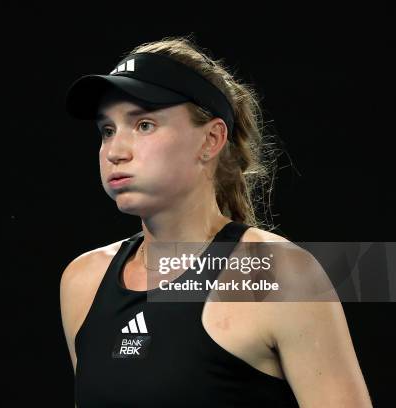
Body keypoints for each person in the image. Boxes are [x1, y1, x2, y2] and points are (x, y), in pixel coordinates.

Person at [60, 36, 372, 407]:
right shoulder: (83, 282)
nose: (115, 151)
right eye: (107, 130)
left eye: (144, 125)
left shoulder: (279, 275)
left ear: (211, 139)